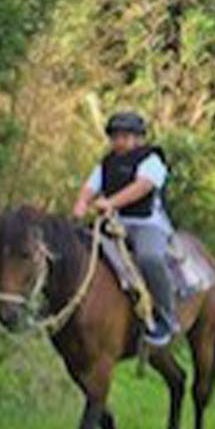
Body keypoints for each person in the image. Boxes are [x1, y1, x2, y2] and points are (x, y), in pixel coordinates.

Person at [72, 111, 178, 347]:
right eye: (115, 136)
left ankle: (166, 319)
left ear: (138, 138)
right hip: (114, 223)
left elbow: (142, 187)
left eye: (125, 136)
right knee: (79, 248)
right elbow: (90, 187)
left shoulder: (151, 160)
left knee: (149, 258)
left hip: (146, 224)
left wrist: (110, 203)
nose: (119, 141)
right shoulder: (107, 163)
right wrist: (81, 203)